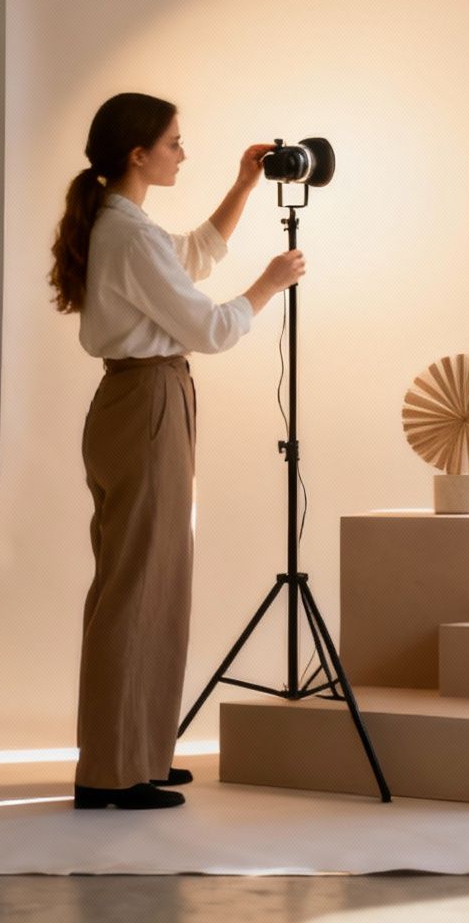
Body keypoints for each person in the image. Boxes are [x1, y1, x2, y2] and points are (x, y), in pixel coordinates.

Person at [49, 92, 305, 811]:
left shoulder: (125, 225)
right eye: (174, 144)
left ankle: (135, 753)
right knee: (137, 588)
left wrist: (242, 187)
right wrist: (269, 285)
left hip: (139, 403)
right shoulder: (127, 235)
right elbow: (211, 328)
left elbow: (186, 257)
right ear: (139, 154)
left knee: (147, 582)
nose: (182, 154)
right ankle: (112, 771)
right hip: (147, 403)